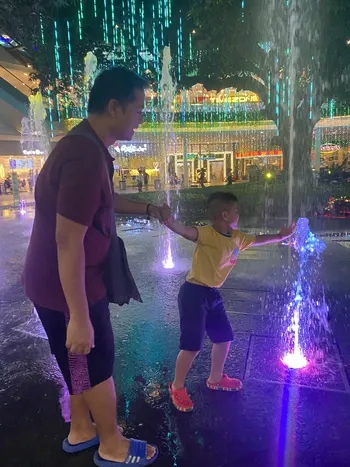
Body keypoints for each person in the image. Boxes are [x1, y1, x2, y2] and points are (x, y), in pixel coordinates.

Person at [22, 67, 163, 466]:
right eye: (138, 110)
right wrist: (80, 316)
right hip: (70, 288)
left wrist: (150, 209)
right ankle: (112, 444)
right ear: (115, 106)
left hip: (55, 285)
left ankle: (81, 428)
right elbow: (68, 241)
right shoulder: (84, 155)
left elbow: (101, 201)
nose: (141, 118)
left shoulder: (86, 147)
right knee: (96, 361)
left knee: (77, 361)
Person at [160, 191, 295, 412]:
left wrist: (279, 236)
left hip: (213, 294)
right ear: (224, 214)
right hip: (193, 293)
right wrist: (169, 221)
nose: (238, 214)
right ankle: (177, 386)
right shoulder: (206, 234)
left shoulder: (237, 237)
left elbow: (258, 239)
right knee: (192, 346)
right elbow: (185, 231)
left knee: (223, 338)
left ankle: (215, 378)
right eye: (236, 211)